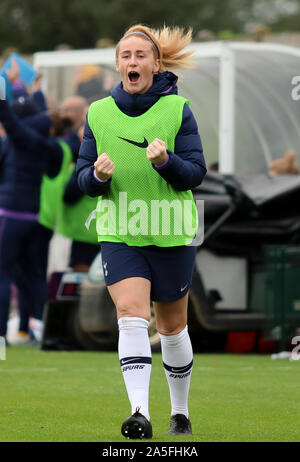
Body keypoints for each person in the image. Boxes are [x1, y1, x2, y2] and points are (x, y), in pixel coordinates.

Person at [76, 24, 206, 439]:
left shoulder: (178, 110)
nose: (133, 62)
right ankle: (139, 414)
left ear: (156, 63)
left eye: (140, 56)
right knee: (131, 315)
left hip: (171, 231)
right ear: (118, 64)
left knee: (171, 328)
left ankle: (180, 413)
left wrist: (167, 162)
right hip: (121, 230)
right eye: (126, 56)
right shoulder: (97, 113)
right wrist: (95, 176)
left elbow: (195, 174)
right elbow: (81, 178)